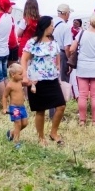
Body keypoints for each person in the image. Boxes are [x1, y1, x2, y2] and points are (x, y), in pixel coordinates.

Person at [21, 16, 65, 146]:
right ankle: (41, 137)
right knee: (40, 110)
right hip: (37, 80)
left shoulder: (53, 42)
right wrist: (25, 76)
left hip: (52, 79)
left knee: (61, 106)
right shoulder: (33, 42)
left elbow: (57, 56)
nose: (53, 27)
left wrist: (57, 66)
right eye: (51, 25)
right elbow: (24, 59)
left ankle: (53, 132)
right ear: (45, 26)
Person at [2, 63, 29, 148]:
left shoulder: (20, 82)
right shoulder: (9, 85)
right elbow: (4, 96)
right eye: (20, 74)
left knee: (25, 123)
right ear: (13, 75)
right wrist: (4, 108)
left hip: (22, 107)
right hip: (14, 108)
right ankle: (16, 142)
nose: (22, 76)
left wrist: (33, 86)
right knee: (18, 124)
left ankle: (11, 133)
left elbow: (28, 83)